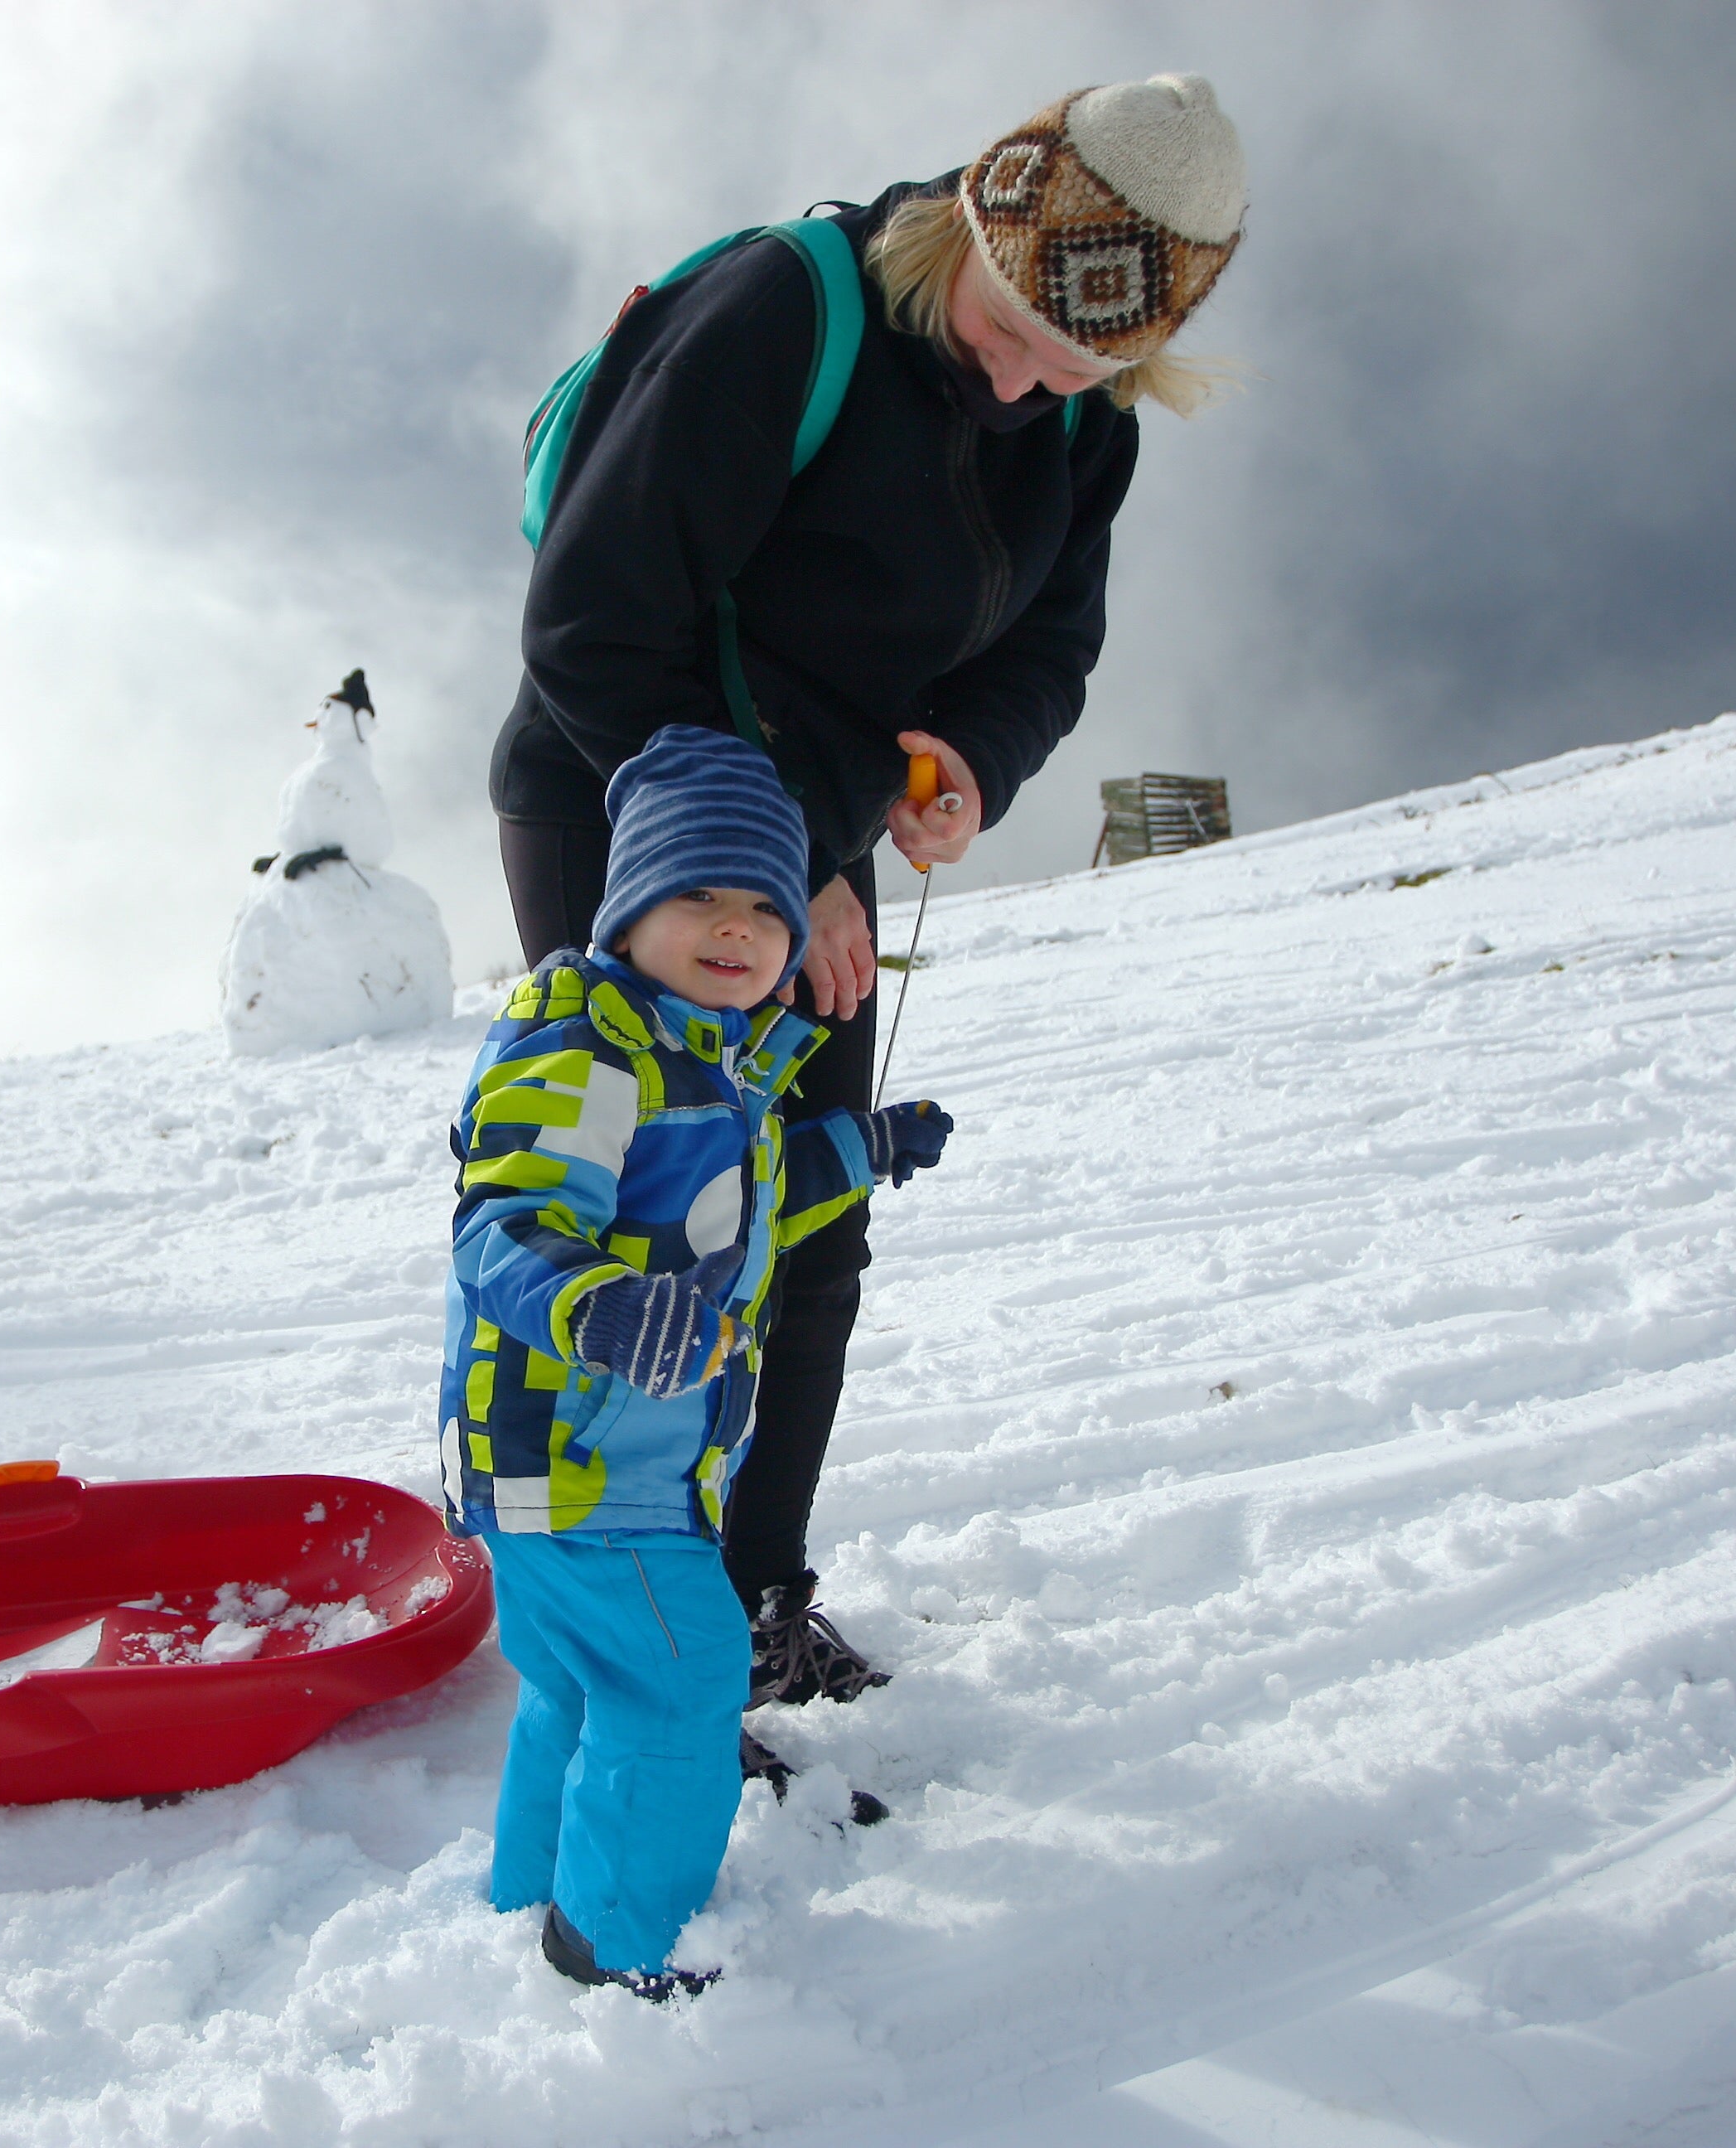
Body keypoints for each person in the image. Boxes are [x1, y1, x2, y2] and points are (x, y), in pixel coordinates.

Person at [489, 74, 1246, 1705]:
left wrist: (966, 756)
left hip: (813, 833)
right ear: (976, 218)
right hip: (623, 803)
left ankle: (754, 1605)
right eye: (1019, 325)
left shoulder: (1079, 421)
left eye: (1087, 360)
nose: (1033, 377)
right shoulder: (786, 313)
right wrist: (780, 873)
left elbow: (1054, 645)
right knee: (635, 1227)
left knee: (803, 1232)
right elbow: (592, 628)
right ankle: (621, 1643)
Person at [441, 727, 954, 1997]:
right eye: (698, 894)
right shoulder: (593, 1054)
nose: (735, 928)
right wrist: (597, 1307)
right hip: (591, 1456)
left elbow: (752, 1205)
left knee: (577, 1686)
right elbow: (503, 1225)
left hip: (564, 1468)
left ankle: (533, 1899)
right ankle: (620, 1955)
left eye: (764, 906)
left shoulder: (704, 1061)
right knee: (682, 1678)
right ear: (628, 912)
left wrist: (865, 1146)